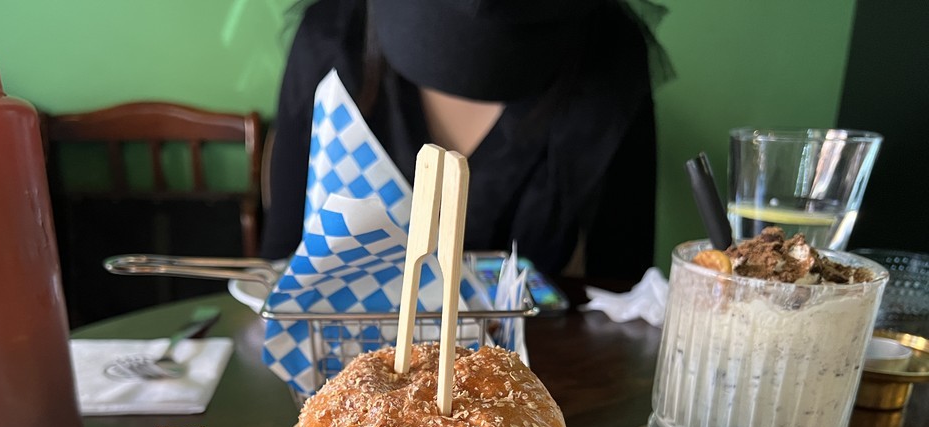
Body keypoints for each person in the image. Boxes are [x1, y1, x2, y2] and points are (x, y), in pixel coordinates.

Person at [261, 0, 669, 287]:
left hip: (542, 368)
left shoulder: (610, 59)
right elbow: (282, 259)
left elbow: (626, 287)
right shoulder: (332, 40)